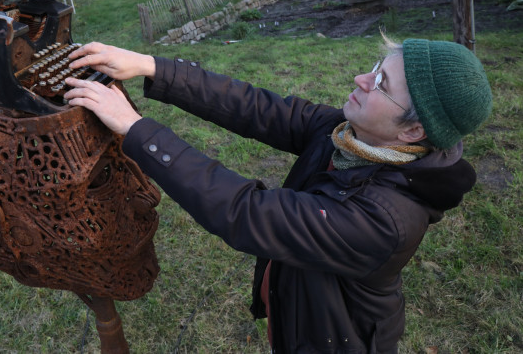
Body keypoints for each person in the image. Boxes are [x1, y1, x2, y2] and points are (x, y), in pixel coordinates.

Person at [62, 36, 493, 353]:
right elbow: (260, 109)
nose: (362, 78)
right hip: (303, 312)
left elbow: (246, 213)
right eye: (377, 66)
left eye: (381, 84)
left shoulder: (382, 221)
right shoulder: (351, 135)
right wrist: (151, 65)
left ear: (413, 131)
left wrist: (137, 129)